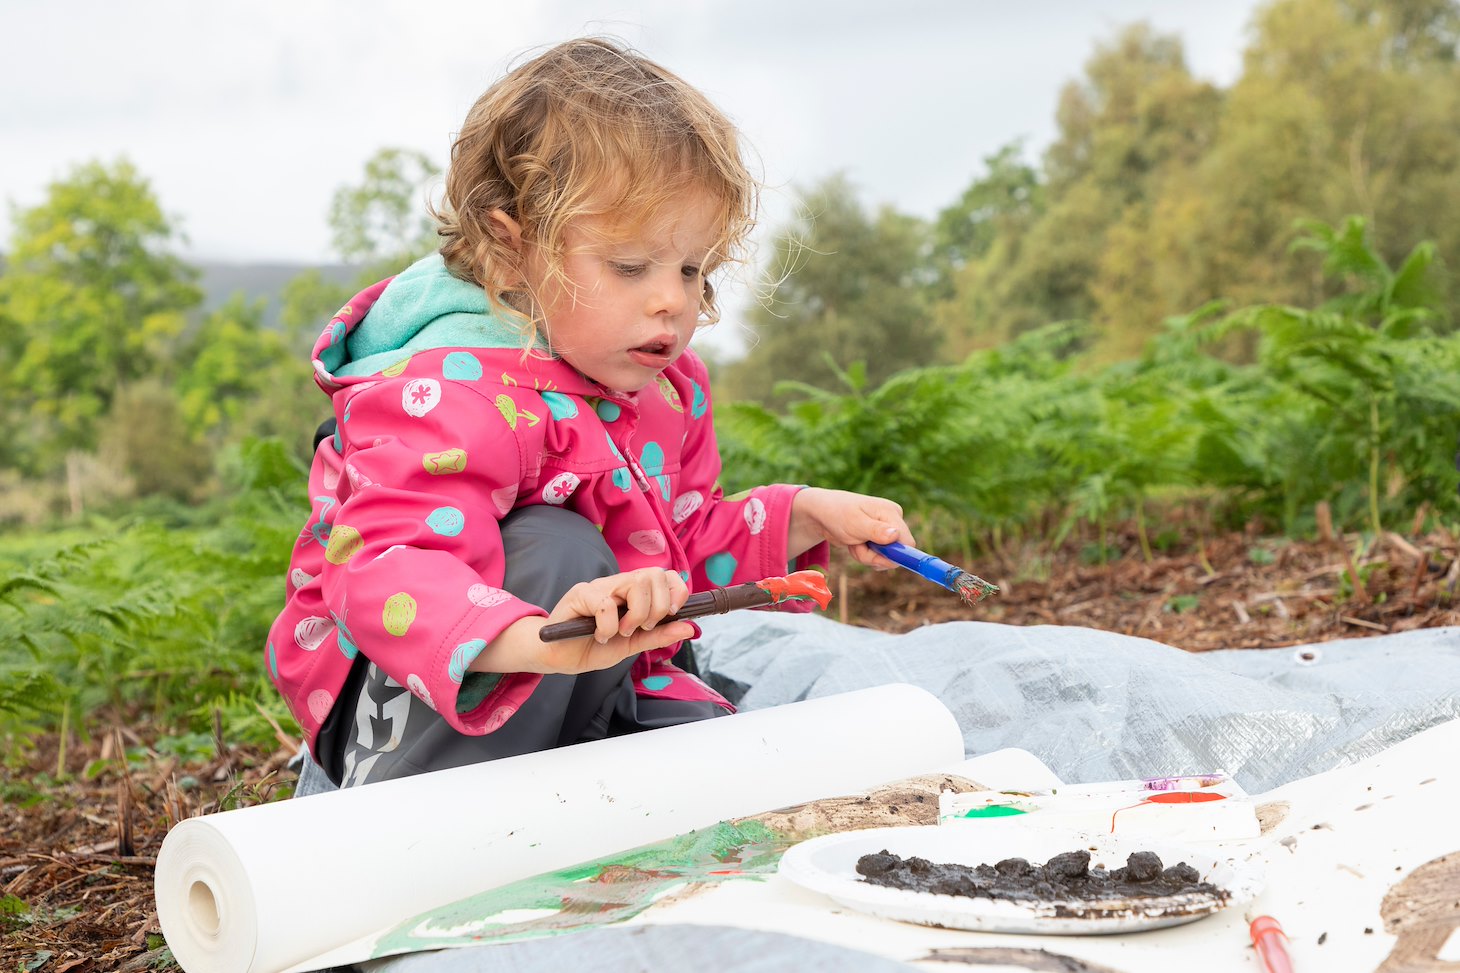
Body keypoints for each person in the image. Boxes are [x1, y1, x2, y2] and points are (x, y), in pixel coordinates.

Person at [267, 37, 914, 788]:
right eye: (631, 266)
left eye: (691, 267)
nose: (671, 299)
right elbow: (385, 571)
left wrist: (804, 515)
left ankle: (583, 778)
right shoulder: (447, 390)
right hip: (410, 703)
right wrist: (534, 632)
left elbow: (677, 541)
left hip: (596, 671)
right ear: (513, 251)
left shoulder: (662, 388)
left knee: (744, 777)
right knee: (559, 547)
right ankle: (413, 806)